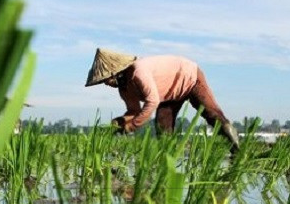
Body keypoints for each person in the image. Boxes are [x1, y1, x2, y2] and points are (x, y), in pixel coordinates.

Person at [84, 48, 241, 153]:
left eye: (106, 79)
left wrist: (132, 126)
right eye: (103, 81)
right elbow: (134, 111)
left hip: (189, 77)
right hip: (167, 95)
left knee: (211, 114)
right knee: (162, 127)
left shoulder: (139, 71)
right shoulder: (124, 89)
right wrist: (120, 122)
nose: (106, 83)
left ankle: (237, 151)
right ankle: (167, 162)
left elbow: (152, 102)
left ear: (115, 71)